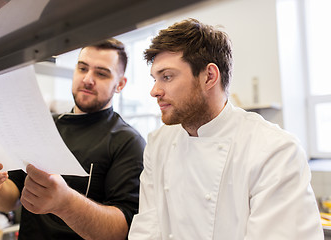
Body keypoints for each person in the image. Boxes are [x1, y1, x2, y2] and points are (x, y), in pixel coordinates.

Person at [128, 18, 323, 240]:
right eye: (155, 79)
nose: (155, 91)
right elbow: (147, 229)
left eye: (167, 77)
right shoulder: (158, 143)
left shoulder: (274, 150)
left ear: (209, 76)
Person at [0, 38, 146, 240]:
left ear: (120, 84)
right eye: (82, 68)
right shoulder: (43, 126)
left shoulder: (128, 142)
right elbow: (9, 201)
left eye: (101, 73)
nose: (88, 79)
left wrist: (66, 203)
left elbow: (121, 230)